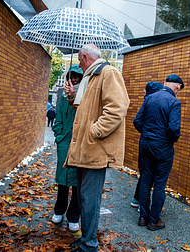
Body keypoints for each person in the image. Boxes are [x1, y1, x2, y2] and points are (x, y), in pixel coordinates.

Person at [64, 44, 130, 252]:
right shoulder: (90, 77)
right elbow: (85, 108)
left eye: (79, 60)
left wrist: (95, 132)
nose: (78, 65)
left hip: (95, 149)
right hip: (86, 149)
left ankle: (89, 245)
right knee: (84, 197)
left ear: (84, 57)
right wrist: (73, 96)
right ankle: (86, 238)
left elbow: (117, 108)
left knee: (90, 199)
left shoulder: (108, 73)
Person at [133, 74, 184, 231]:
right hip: (163, 147)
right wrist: (168, 140)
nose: (178, 93)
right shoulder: (174, 102)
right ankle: (154, 221)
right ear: (177, 87)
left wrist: (148, 134)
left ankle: (143, 217)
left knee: (146, 180)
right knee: (160, 184)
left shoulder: (149, 98)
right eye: (179, 90)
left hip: (146, 144)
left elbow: (137, 121)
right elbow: (174, 129)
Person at [51, 64, 84, 232]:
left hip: (80, 143)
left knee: (78, 182)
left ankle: (74, 217)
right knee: (62, 179)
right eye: (71, 76)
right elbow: (58, 118)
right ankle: (59, 210)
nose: (74, 79)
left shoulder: (85, 95)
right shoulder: (62, 95)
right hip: (64, 142)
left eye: (77, 76)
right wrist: (59, 135)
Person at [130, 81, 164, 209]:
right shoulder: (156, 103)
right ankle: (143, 205)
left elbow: (137, 121)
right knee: (151, 174)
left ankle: (137, 199)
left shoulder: (147, 102)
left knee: (145, 172)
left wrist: (146, 133)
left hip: (145, 141)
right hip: (155, 142)